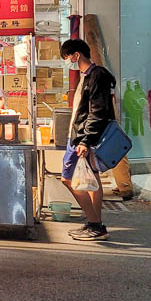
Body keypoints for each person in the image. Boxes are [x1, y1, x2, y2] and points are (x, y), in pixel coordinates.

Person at [60, 38, 117, 241]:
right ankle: (95, 224)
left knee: (67, 178)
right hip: (83, 136)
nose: (67, 61)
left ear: (77, 55)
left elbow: (97, 111)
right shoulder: (88, 76)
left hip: (82, 138)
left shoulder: (96, 75)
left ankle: (95, 223)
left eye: (67, 57)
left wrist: (85, 140)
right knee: (93, 179)